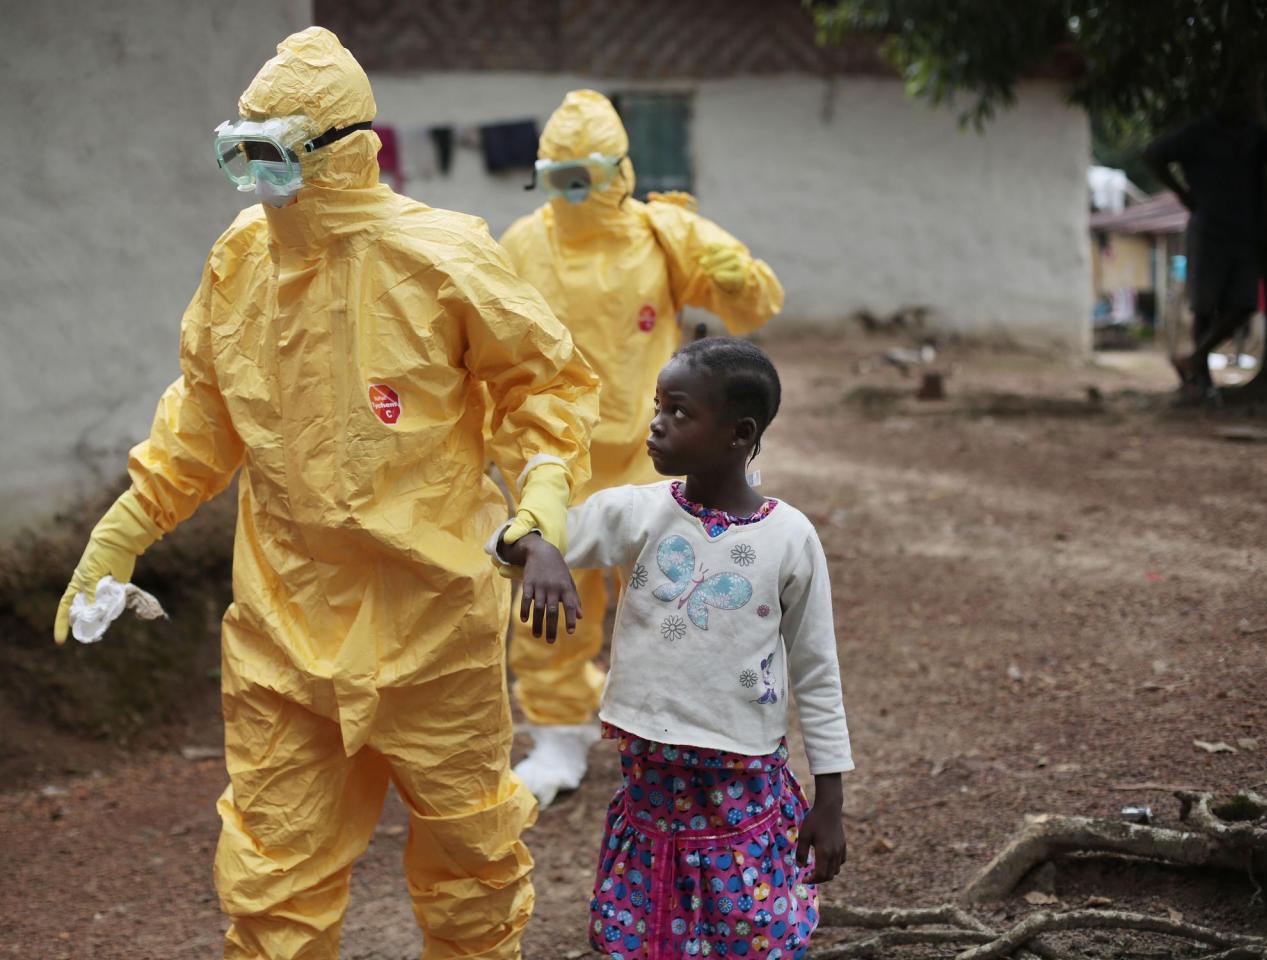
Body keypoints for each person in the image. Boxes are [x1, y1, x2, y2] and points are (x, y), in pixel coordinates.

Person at [53, 27, 596, 960]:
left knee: (470, 860)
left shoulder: (444, 257)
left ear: (343, 151)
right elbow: (202, 417)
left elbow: (542, 387)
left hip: (433, 621)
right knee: (271, 873)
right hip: (285, 629)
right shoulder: (241, 261)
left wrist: (539, 510)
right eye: (240, 152)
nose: (255, 180)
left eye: (272, 155)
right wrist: (123, 530)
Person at [493, 338, 853, 959]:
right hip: (650, 774)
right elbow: (514, 542)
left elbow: (818, 673)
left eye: (679, 411)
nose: (656, 422)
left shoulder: (790, 538)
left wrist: (831, 802)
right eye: (658, 405)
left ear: (740, 434)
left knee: (747, 927)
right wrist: (539, 550)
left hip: (741, 773)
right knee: (649, 922)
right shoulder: (640, 512)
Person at [500, 89, 785, 807]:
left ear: (617, 174)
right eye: (557, 176)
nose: (571, 192)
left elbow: (752, 307)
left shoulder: (662, 234)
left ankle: (682, 730)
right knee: (549, 602)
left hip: (652, 454)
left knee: (671, 597)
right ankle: (559, 735)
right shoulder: (521, 245)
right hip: (556, 462)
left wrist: (728, 271)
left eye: (583, 176)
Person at [1144, 76, 1267, 399]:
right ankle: (1199, 381)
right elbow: (1152, 154)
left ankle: (1193, 359)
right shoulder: (1198, 133)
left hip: (1245, 233)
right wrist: (1182, 194)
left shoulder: (1252, 134)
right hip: (1209, 231)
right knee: (1204, 307)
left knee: (1244, 304)